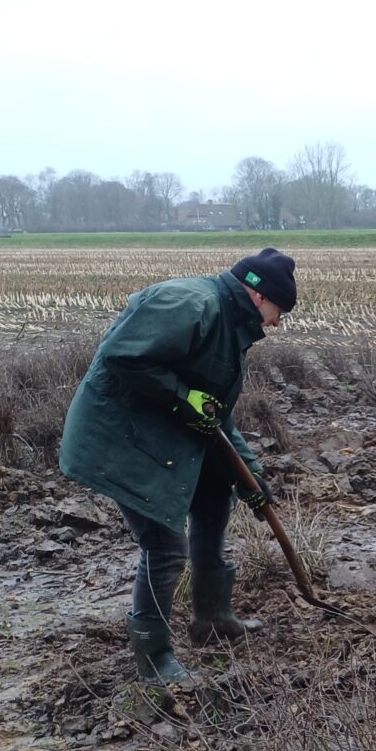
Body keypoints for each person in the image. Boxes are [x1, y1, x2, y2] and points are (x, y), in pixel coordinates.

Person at [60, 248, 297, 684]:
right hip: (121, 435)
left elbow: (217, 413)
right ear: (258, 295)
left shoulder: (229, 324)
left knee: (213, 499)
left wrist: (248, 473)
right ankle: (155, 661)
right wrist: (183, 396)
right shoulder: (190, 303)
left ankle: (212, 618)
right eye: (279, 310)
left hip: (163, 426)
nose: (277, 323)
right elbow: (122, 356)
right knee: (166, 547)